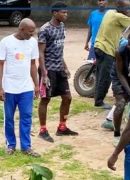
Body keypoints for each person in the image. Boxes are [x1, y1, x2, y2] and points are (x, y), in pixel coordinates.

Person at [0, 18, 40, 158]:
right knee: (9, 118)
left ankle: (26, 147)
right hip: (9, 88)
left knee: (26, 117)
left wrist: (36, 85)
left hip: (26, 88)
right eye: (30, 31)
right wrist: (0, 88)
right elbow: (0, 65)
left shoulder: (32, 43)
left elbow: (33, 65)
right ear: (21, 29)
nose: (32, 34)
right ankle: (11, 145)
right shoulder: (6, 42)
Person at [37, 2, 77, 143]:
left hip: (60, 69)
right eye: (63, 12)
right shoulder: (45, 30)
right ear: (55, 13)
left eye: (66, 12)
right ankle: (43, 130)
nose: (66, 15)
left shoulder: (62, 27)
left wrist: (65, 66)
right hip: (48, 69)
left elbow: (59, 50)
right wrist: (44, 74)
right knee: (45, 99)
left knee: (67, 97)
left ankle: (62, 127)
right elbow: (40, 53)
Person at [102, 31, 130, 146]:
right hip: (120, 77)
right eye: (129, 45)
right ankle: (117, 134)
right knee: (120, 104)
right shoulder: (120, 51)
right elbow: (120, 74)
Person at [93, 0, 130, 110]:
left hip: (98, 46)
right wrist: (128, 14)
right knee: (106, 77)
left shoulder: (110, 12)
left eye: (129, 7)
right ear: (118, 6)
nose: (127, 9)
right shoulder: (118, 16)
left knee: (100, 74)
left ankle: (97, 98)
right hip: (107, 49)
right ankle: (99, 102)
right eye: (125, 7)